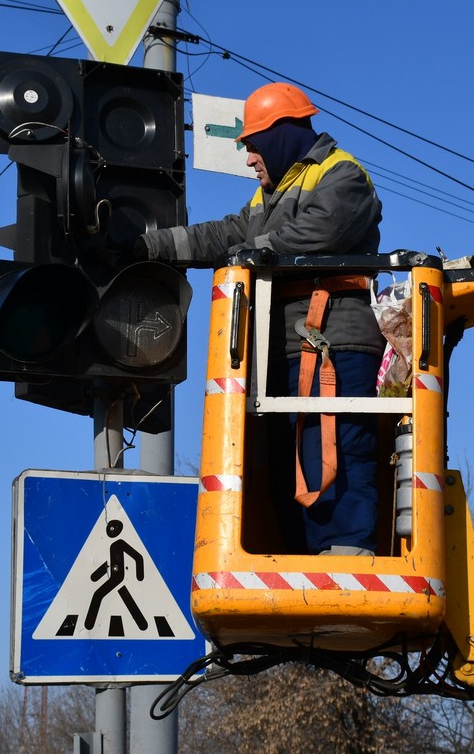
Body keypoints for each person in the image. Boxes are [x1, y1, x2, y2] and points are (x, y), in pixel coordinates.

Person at [121, 82, 385, 556]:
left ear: (283, 134)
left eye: (254, 144)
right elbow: (222, 235)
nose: (248, 158)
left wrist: (249, 252)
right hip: (283, 346)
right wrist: (147, 247)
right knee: (286, 462)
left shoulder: (342, 175)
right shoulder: (270, 196)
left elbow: (317, 233)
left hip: (334, 345)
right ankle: (305, 566)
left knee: (333, 454)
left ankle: (347, 564)